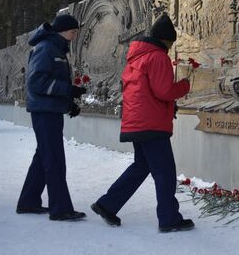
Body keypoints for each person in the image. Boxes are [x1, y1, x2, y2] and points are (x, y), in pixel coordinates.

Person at [91, 14, 193, 232]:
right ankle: (169, 219)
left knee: (141, 167)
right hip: (151, 125)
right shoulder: (158, 57)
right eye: (171, 43)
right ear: (166, 40)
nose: (171, 47)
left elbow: (147, 92)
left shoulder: (136, 57)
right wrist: (185, 85)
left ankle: (107, 205)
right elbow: (164, 91)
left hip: (137, 123)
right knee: (165, 172)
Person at [17, 14, 87, 221]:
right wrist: (68, 90)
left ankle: (28, 201)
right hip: (44, 112)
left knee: (44, 157)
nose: (74, 36)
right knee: (54, 159)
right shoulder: (47, 47)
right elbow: (36, 82)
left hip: (50, 110)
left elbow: (50, 81)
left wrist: (69, 101)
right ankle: (60, 208)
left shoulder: (55, 47)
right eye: (73, 32)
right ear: (62, 30)